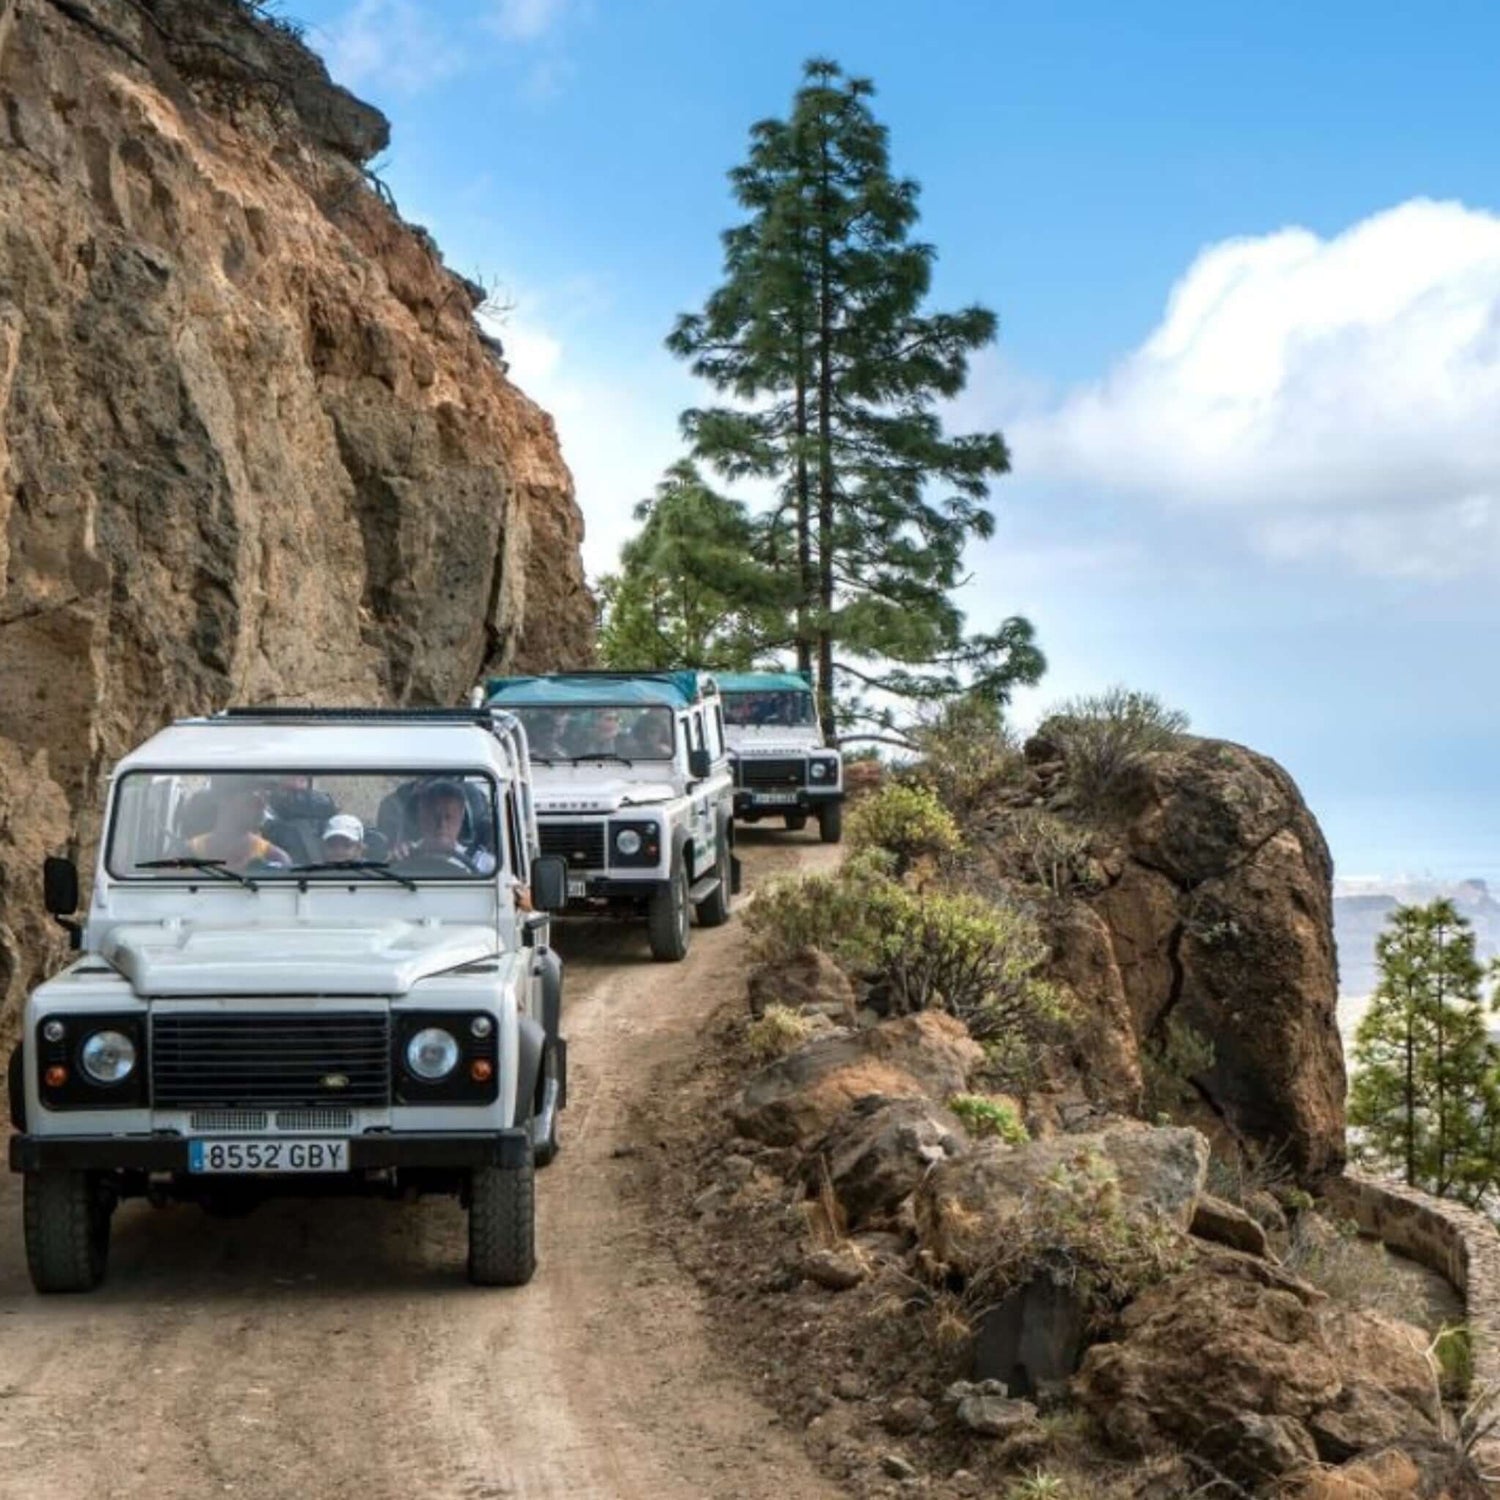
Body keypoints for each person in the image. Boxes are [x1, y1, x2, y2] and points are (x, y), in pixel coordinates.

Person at [186, 781, 291, 872]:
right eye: (253, 796)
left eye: (265, 796)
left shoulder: (274, 859)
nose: (262, 804)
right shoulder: (187, 855)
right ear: (224, 800)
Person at [400, 780, 496, 874]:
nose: (441, 824)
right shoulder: (404, 855)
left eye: (449, 817)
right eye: (435, 816)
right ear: (422, 816)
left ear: (461, 818)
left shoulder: (483, 865)